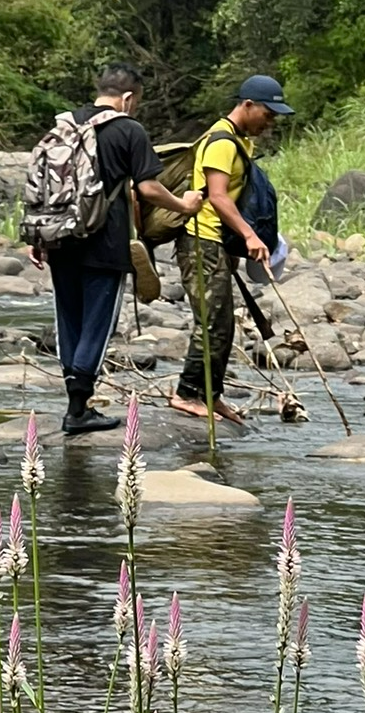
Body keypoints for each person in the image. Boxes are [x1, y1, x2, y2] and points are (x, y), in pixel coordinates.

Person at [29, 66, 204, 437]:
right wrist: (184, 206)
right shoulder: (128, 129)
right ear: (128, 98)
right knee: (96, 322)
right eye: (136, 102)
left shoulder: (62, 126)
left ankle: (74, 403)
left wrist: (37, 238)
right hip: (104, 242)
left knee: (69, 320)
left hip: (60, 239)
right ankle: (78, 411)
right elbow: (149, 188)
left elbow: (43, 186)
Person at [168, 74, 291, 429]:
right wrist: (249, 236)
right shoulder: (221, 141)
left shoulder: (238, 140)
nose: (270, 122)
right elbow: (218, 195)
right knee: (212, 323)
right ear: (247, 105)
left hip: (216, 243)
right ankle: (186, 393)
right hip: (199, 241)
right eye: (267, 114)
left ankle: (210, 394)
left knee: (223, 324)